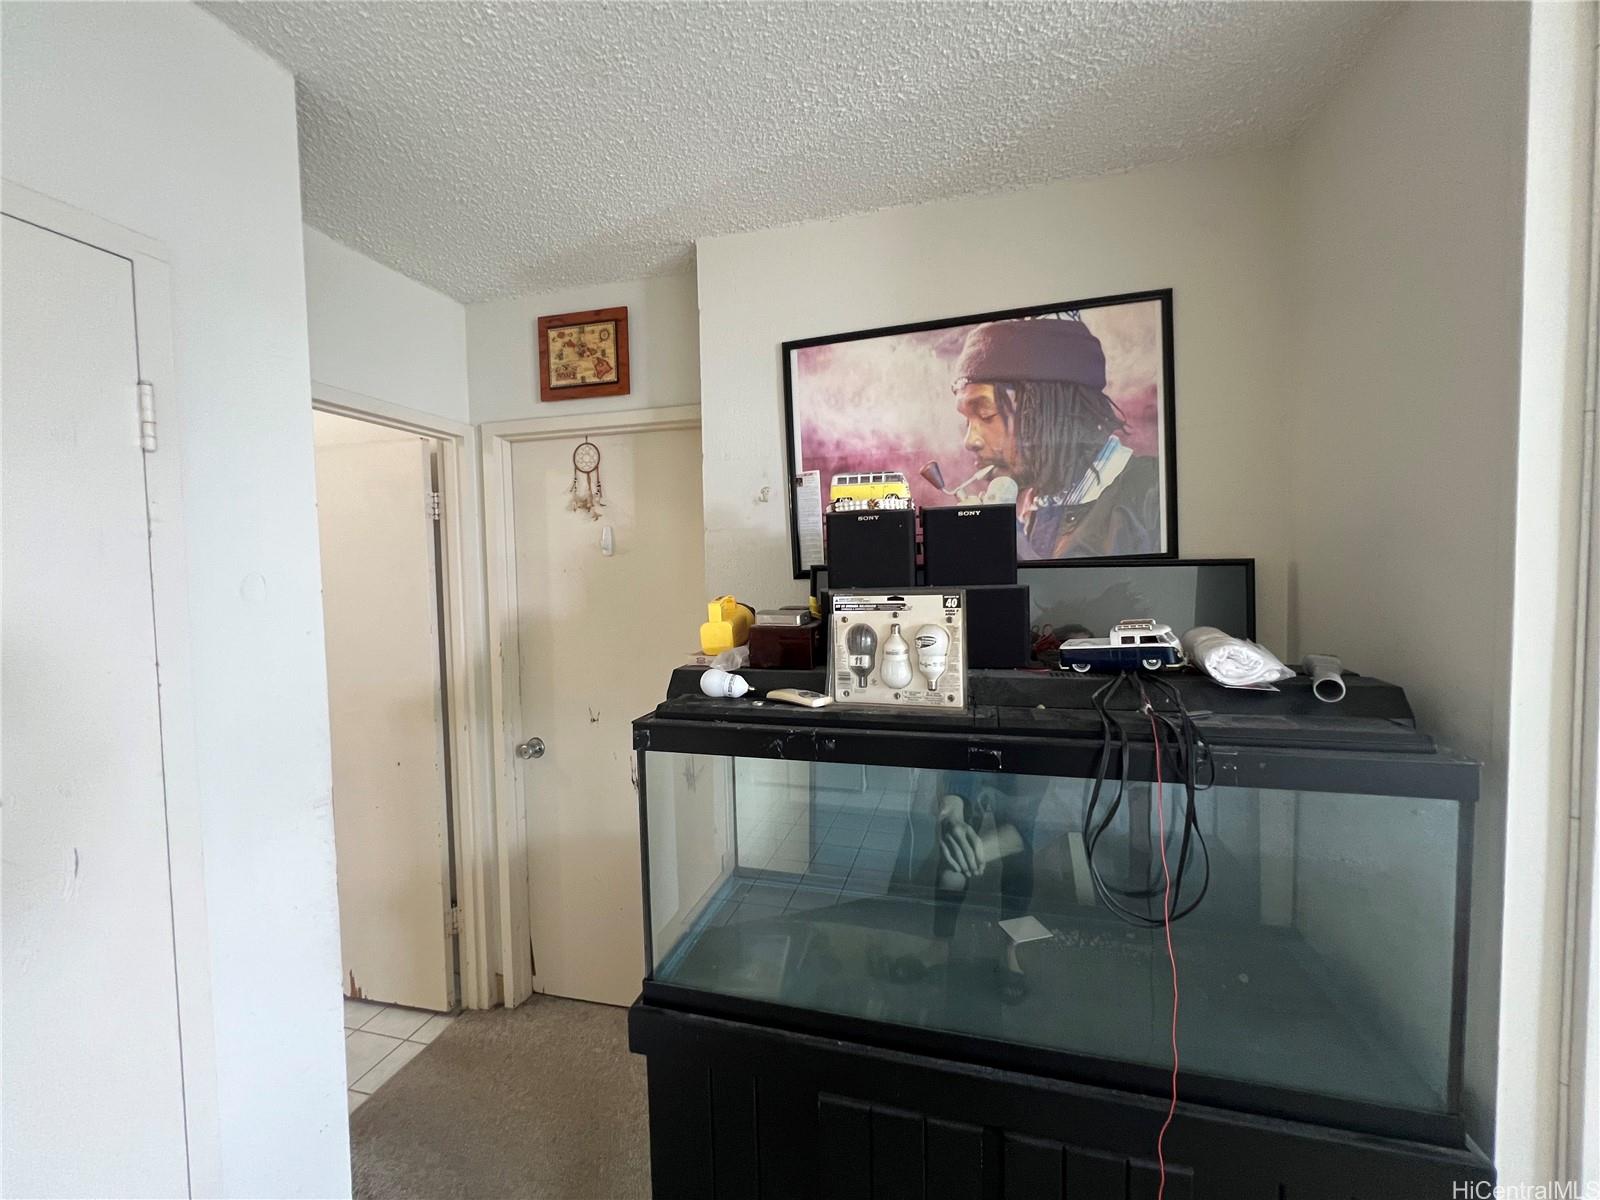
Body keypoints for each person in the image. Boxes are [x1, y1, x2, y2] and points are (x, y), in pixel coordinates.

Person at [952, 316, 1161, 559]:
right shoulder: (1036, 504)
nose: (970, 441)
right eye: (967, 420)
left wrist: (1011, 548)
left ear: (1048, 411)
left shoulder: (1152, 494)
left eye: (986, 414)